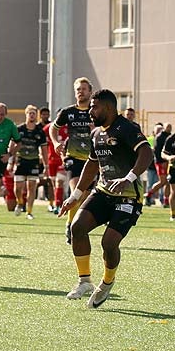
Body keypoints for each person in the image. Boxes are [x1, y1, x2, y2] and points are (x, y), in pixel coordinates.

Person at [60, 89, 153, 308]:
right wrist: (75, 196)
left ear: (109, 108)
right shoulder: (96, 133)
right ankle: (84, 281)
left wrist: (128, 178)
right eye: (91, 106)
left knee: (108, 243)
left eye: (95, 106)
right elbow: (92, 164)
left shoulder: (127, 128)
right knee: (77, 228)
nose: (91, 111)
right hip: (103, 192)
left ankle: (107, 282)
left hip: (128, 197)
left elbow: (146, 153)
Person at [50, 77, 96, 242]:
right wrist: (56, 143)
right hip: (73, 158)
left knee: (85, 196)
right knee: (77, 190)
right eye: (78, 89)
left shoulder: (96, 111)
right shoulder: (68, 112)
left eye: (84, 89)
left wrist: (96, 129)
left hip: (92, 160)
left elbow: (108, 130)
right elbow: (53, 129)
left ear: (90, 92)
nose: (81, 92)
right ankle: (71, 225)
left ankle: (73, 222)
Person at [12, 105, 47, 220]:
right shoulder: (19, 129)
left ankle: (29, 211)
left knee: (31, 187)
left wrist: (46, 165)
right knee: (18, 188)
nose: (32, 115)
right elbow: (12, 145)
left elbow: (44, 149)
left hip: (33, 161)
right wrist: (10, 161)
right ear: (26, 114)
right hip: (21, 160)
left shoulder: (40, 131)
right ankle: (19, 202)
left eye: (33, 113)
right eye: (30, 113)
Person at [146, 122, 169, 206]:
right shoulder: (153, 139)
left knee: (166, 182)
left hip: (163, 163)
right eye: (158, 130)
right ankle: (149, 196)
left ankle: (165, 200)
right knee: (160, 182)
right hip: (153, 165)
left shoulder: (165, 138)